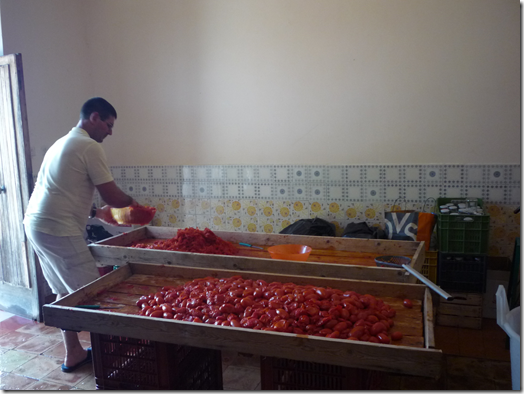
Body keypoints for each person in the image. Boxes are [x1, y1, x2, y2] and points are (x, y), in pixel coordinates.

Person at [23, 97, 142, 372]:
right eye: (109, 125)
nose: (110, 132)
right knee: (93, 293)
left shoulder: (61, 143)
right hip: (57, 229)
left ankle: (74, 353)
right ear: (95, 117)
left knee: (65, 293)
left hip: (36, 226)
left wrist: (94, 213)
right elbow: (111, 195)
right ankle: (108, 357)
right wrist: (133, 204)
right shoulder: (88, 145)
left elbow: (60, 190)